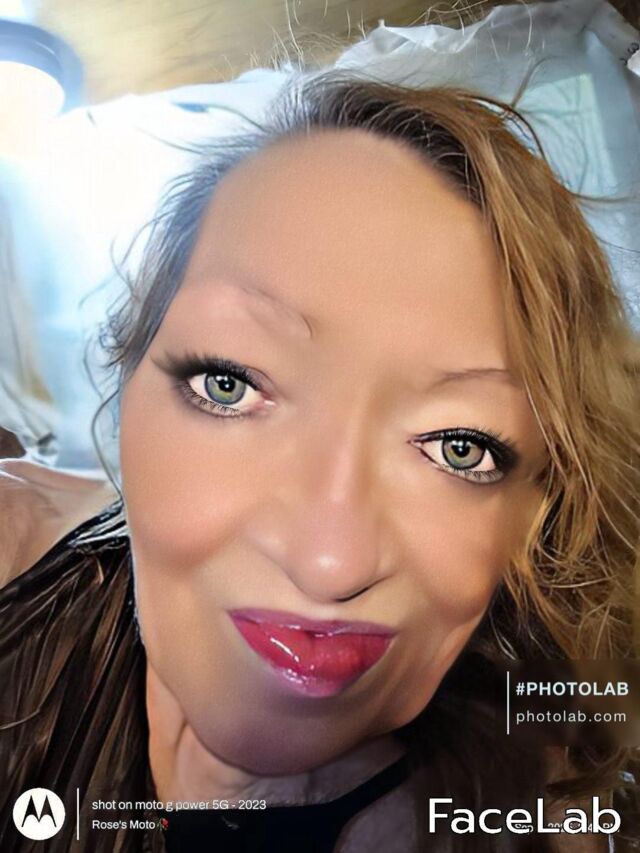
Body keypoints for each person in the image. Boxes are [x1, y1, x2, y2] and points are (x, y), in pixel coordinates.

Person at [1, 69, 638, 853]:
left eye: (459, 446)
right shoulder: (18, 554)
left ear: (535, 515)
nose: (330, 562)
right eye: (229, 384)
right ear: (129, 385)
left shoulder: (530, 818)